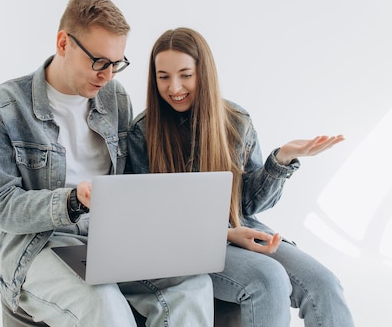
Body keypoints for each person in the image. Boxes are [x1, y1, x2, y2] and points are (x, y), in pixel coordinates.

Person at [0, 0, 214, 326]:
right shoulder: (4, 106)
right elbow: (0, 205)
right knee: (101, 301)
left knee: (192, 284)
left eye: (116, 63)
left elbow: (133, 182)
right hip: (38, 244)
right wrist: (73, 200)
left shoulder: (115, 99)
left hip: (106, 240)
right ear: (64, 43)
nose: (107, 75)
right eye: (99, 61)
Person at [128, 27, 355, 327]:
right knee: (268, 279)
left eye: (185, 74)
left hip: (241, 231)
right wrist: (222, 235)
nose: (174, 87)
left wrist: (281, 159)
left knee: (324, 283)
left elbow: (248, 203)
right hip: (187, 246)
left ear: (203, 73)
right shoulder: (142, 132)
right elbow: (150, 219)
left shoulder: (236, 121)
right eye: (164, 76)